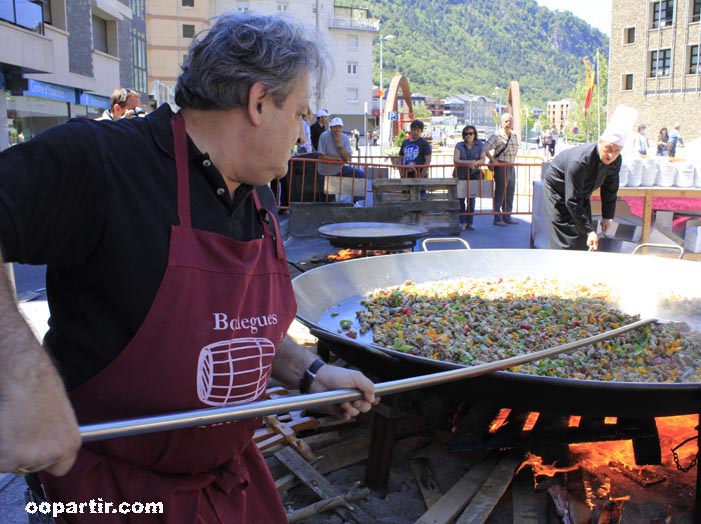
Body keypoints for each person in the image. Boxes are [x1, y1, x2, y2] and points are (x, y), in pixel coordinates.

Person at [0, 13, 377, 523]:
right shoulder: (101, 161)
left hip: (225, 487)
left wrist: (310, 373)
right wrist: (20, 375)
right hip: (108, 492)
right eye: (302, 112)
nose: (304, 129)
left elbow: (230, 329)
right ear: (259, 102)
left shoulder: (259, 195)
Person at [541, 105, 637, 251]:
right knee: (566, 234)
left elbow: (610, 189)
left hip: (581, 192)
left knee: (583, 233)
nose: (611, 155)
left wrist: (607, 217)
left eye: (617, 151)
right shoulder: (580, 161)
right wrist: (589, 231)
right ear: (600, 142)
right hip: (558, 188)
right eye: (608, 149)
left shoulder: (616, 161)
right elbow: (571, 200)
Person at [485, 112, 520, 225]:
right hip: (501, 165)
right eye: (506, 121)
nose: (508, 123)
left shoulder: (514, 135)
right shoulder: (497, 135)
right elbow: (484, 148)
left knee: (510, 191)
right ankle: (497, 218)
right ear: (502, 122)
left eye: (510, 121)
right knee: (500, 191)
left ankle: (507, 216)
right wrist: (493, 159)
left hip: (511, 165)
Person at [317, 117, 365, 198]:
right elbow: (321, 156)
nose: (337, 129)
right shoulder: (324, 136)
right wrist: (336, 159)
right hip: (325, 170)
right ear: (331, 127)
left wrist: (340, 145)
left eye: (339, 127)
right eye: (335, 127)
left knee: (360, 175)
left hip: (339, 168)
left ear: (342, 128)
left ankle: (357, 201)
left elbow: (348, 158)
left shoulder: (345, 138)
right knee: (328, 197)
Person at [453, 125, 486, 230]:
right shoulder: (459, 145)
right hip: (461, 174)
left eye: (471, 133)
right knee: (461, 198)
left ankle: (470, 221)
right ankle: (462, 222)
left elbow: (483, 159)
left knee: (471, 199)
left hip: (474, 175)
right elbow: (456, 160)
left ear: (474, 134)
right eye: (466, 134)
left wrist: (475, 163)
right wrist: (467, 163)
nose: (468, 136)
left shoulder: (480, 145)